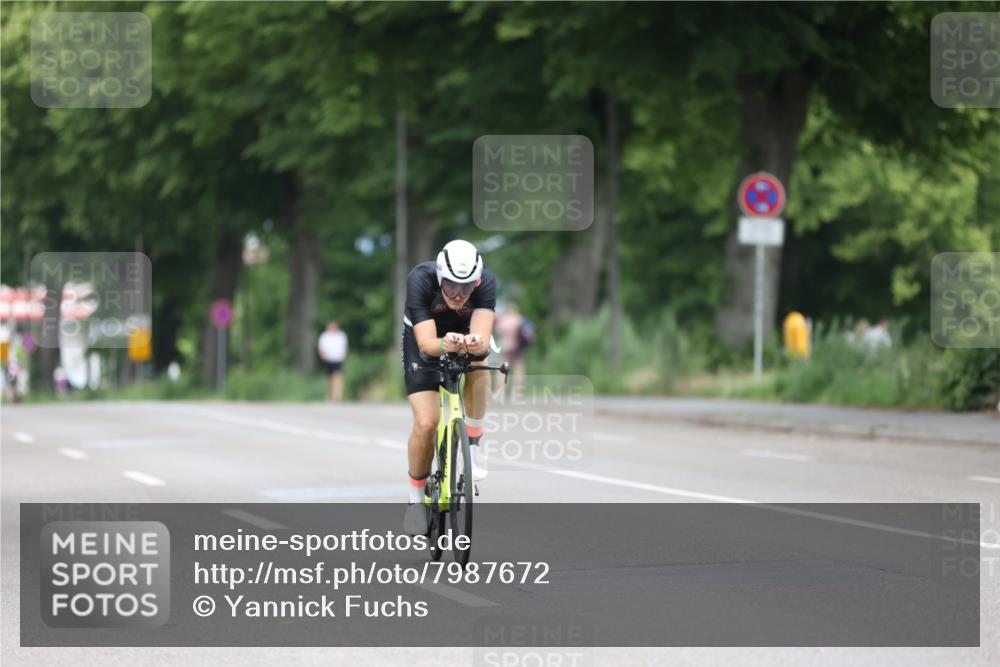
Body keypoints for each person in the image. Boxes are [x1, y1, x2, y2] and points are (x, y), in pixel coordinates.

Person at [401, 239, 495, 535]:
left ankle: (474, 441)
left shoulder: (487, 283)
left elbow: (481, 335)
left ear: (477, 281)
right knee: (427, 422)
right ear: (440, 276)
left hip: (464, 333)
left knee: (480, 363)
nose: (458, 294)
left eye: (467, 288)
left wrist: (475, 343)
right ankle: (415, 499)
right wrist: (446, 343)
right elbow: (428, 345)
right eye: (452, 285)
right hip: (426, 337)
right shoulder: (420, 279)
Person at [317, 321, 348, 401]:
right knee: (329, 379)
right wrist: (323, 355)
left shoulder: (341, 335)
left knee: (338, 377)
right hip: (328, 359)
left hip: (338, 359)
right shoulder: (324, 336)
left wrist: (344, 356)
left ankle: (337, 396)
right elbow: (322, 348)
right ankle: (329, 395)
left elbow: (344, 347)